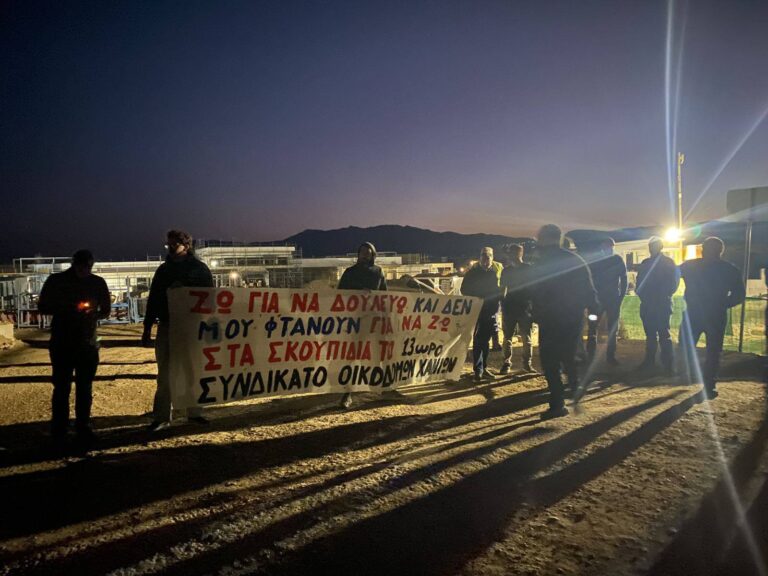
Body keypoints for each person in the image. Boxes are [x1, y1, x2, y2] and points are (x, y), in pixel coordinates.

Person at [38, 249, 111, 447]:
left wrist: (92, 313)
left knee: (83, 387)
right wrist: (71, 308)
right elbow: (43, 306)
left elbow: (106, 310)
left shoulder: (96, 282)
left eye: (88, 267)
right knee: (62, 387)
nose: (85, 271)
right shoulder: (58, 281)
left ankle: (81, 427)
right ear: (75, 264)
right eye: (82, 267)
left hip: (84, 341)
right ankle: (61, 429)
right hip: (64, 341)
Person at [142, 230, 214, 431]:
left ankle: (194, 412)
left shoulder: (199, 269)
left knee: (192, 371)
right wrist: (147, 329)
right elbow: (154, 300)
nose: (171, 248)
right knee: (164, 373)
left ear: (186, 245)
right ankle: (162, 416)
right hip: (167, 325)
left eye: (175, 244)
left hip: (191, 326)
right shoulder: (163, 270)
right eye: (169, 245)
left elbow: (210, 296)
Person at [528, 225, 598, 419]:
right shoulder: (575, 260)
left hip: (550, 319)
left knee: (550, 361)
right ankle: (575, 393)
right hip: (572, 318)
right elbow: (589, 289)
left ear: (543, 239)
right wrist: (593, 311)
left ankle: (558, 402)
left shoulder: (541, 262)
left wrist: (534, 314)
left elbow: (534, 290)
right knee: (569, 356)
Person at [679, 237, 745, 399]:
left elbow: (671, 274)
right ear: (721, 251)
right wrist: (723, 304)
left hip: (693, 313)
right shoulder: (729, 269)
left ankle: (687, 374)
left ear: (703, 249)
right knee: (713, 350)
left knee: (686, 346)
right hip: (715, 314)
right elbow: (739, 295)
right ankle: (708, 383)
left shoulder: (690, 265)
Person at [337, 242, 387, 408]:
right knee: (351, 357)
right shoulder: (350, 272)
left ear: (373, 254)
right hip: (354, 321)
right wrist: (360, 291)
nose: (365, 255)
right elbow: (340, 292)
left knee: (374, 355)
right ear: (358, 255)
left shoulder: (378, 272)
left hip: (374, 320)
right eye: (362, 252)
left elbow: (385, 295)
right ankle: (347, 393)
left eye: (368, 252)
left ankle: (374, 386)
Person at [636, 237, 679, 373]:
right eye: (650, 246)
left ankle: (666, 364)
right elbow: (639, 283)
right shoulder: (655, 263)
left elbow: (673, 284)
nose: (651, 248)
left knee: (662, 334)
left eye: (653, 246)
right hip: (653, 303)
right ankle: (654, 362)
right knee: (653, 334)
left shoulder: (666, 263)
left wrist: (659, 295)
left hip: (659, 303)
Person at [461, 247, 502, 382]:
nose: (486, 259)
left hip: (490, 311)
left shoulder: (494, 273)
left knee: (485, 341)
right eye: (483, 256)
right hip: (477, 311)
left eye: (488, 256)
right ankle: (478, 369)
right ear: (480, 257)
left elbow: (498, 291)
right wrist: (478, 297)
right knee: (478, 341)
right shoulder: (472, 273)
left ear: (492, 258)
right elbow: (464, 289)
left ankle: (484, 368)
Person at [586, 238, 627, 365]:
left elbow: (624, 279)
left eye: (609, 247)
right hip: (602, 300)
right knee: (595, 328)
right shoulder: (612, 260)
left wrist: (621, 297)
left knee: (608, 328)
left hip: (608, 299)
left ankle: (607, 356)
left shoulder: (614, 260)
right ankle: (594, 356)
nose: (607, 249)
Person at [499, 244, 534, 374]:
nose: (513, 255)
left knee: (525, 338)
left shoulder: (526, 269)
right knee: (511, 337)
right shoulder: (507, 270)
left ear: (520, 253)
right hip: (512, 307)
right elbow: (503, 289)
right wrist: (503, 303)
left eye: (515, 252)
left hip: (523, 307)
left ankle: (525, 364)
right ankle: (508, 363)